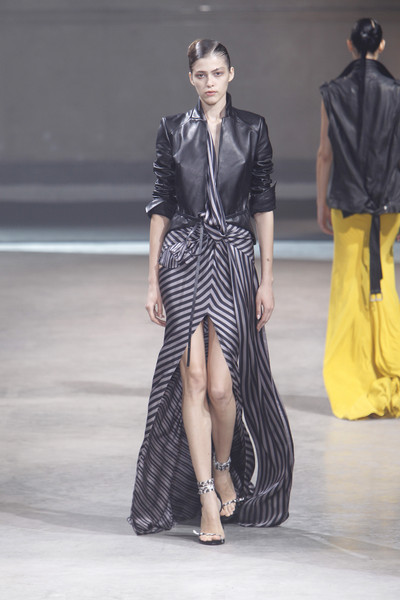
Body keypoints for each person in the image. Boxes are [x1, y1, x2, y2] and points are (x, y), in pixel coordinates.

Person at [128, 39, 294, 545]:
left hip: (233, 258)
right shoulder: (172, 130)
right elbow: (161, 204)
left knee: (222, 389)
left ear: (231, 75)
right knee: (193, 378)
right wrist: (152, 277)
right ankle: (206, 499)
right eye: (201, 74)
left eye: (217, 73)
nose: (209, 82)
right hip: (183, 257)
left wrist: (267, 278)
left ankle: (224, 467)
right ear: (191, 79)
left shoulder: (253, 128)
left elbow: (263, 202)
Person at [317, 18, 400, 420]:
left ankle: (352, 381)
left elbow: (324, 154)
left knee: (348, 287)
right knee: (383, 282)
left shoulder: (333, 92)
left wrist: (321, 202)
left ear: (350, 45)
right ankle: (390, 370)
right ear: (381, 46)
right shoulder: (397, 92)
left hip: (346, 203)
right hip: (389, 204)